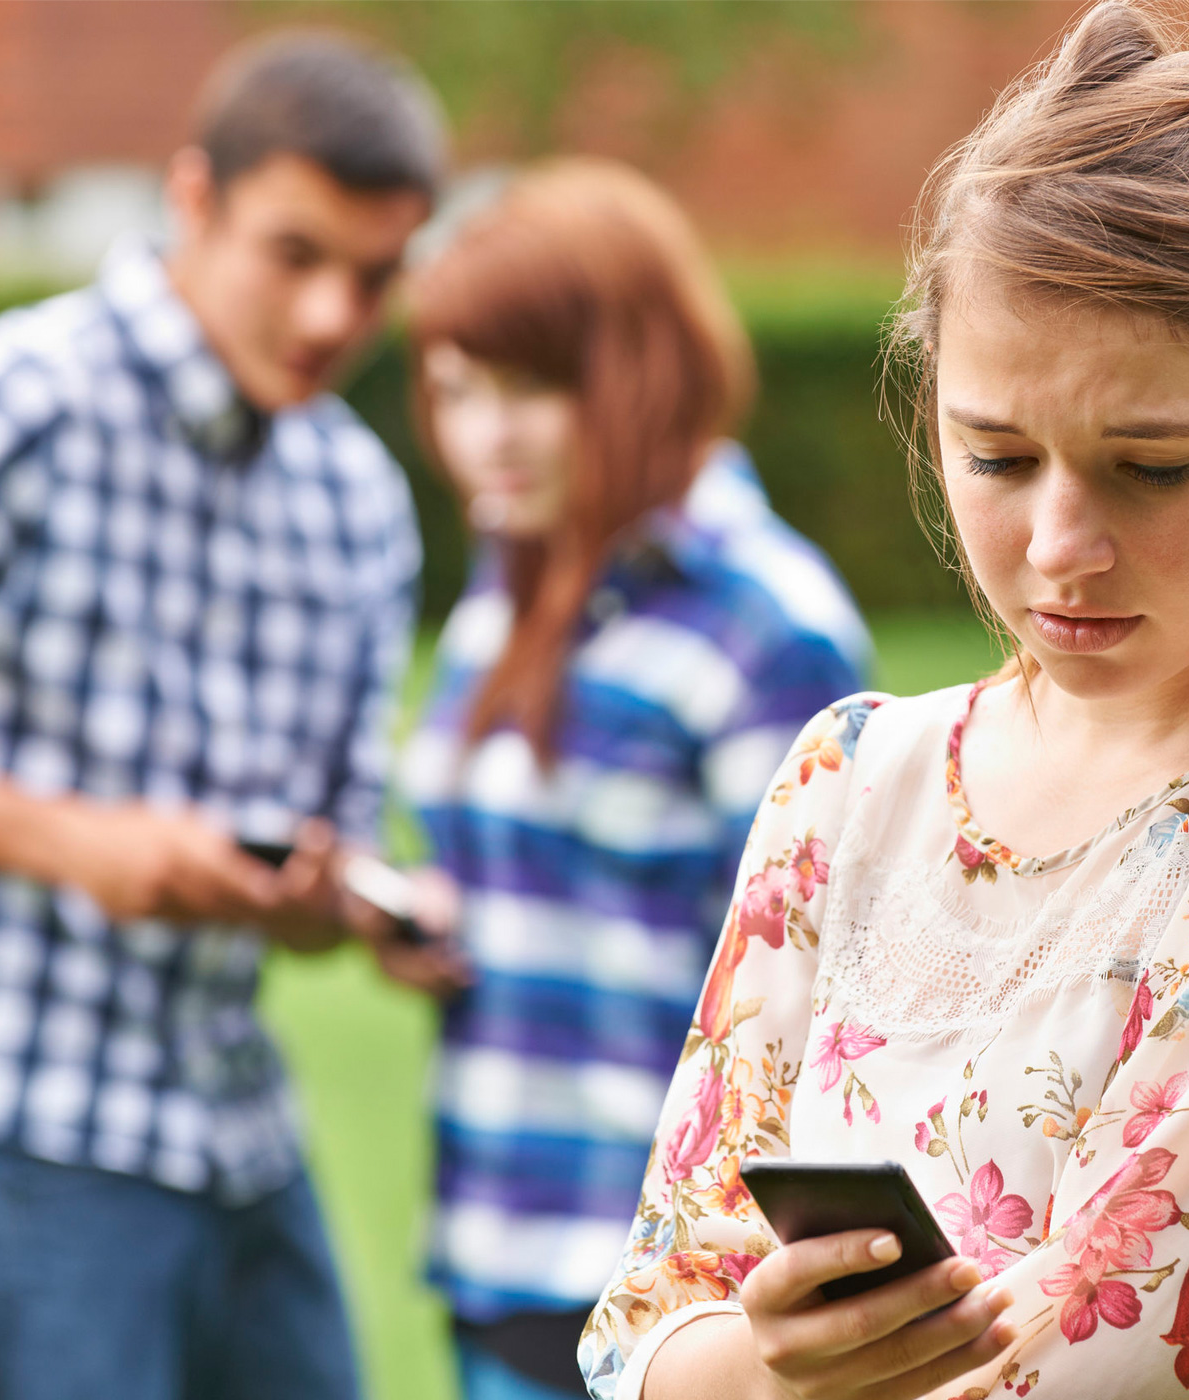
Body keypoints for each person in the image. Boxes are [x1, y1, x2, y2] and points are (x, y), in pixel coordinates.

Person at [581, 7, 1189, 1400]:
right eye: (998, 455)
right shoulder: (849, 780)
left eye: (1150, 464)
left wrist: (776, 1373)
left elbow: (1131, 1372)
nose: (1058, 546)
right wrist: (775, 1372)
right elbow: (634, 1334)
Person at [0, 32, 442, 1400]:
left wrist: (329, 900)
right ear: (192, 201)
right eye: (294, 254)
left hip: (232, 1123)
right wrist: (73, 844)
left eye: (373, 278)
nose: (331, 317)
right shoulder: (12, 398)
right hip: (9, 1109)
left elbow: (326, 841)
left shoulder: (358, 502)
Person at [375, 158, 871, 1400]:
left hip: (672, 1284)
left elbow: (831, 980)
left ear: (637, 368)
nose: (481, 433)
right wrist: (432, 916)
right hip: (498, 1233)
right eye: (453, 389)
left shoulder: (765, 623)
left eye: (529, 387)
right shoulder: (517, 575)